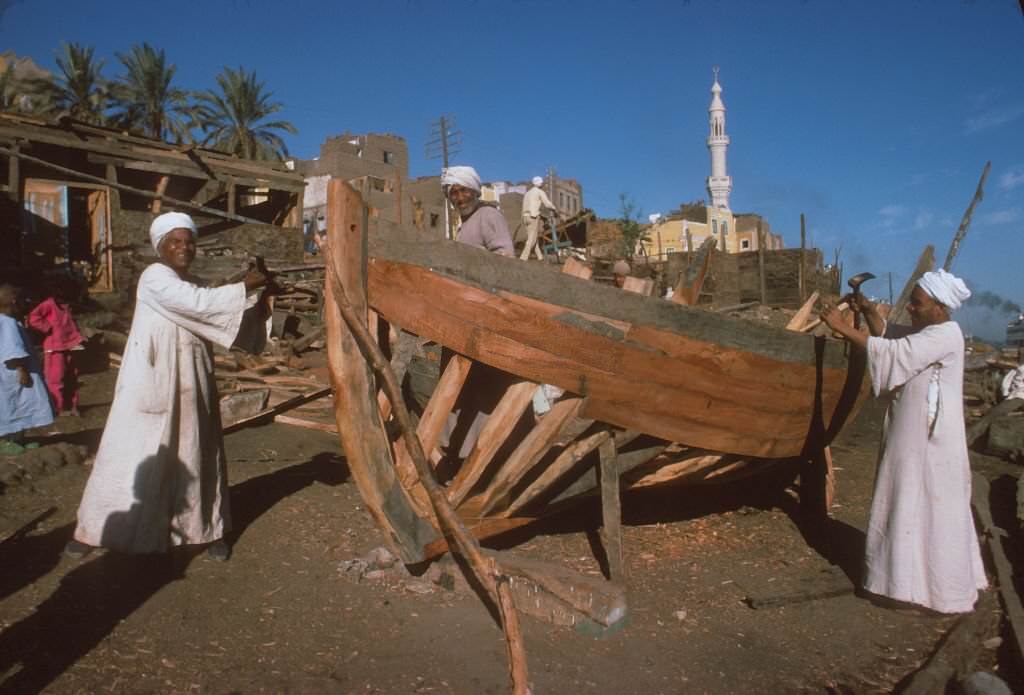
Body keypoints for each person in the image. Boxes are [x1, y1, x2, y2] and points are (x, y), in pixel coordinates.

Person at [66, 212, 268, 561]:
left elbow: (220, 314)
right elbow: (198, 304)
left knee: (196, 451)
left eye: (189, 240)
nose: (184, 247)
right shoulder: (155, 276)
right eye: (175, 241)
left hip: (192, 377)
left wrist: (260, 293)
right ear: (160, 246)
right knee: (132, 450)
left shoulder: (195, 282)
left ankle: (208, 529)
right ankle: (96, 529)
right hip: (152, 378)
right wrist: (246, 285)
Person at [820, 268, 987, 614]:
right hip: (912, 433)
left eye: (917, 303)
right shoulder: (929, 331)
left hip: (930, 441)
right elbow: (893, 340)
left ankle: (933, 594)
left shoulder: (945, 335)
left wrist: (841, 327)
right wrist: (866, 310)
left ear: (940, 308)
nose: (910, 308)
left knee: (927, 504)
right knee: (905, 499)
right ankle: (899, 584)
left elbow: (894, 353)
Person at [0, 284, 54, 454]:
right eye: (23, 300)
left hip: (9, 373)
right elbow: (12, 349)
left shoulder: (8, 321)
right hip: (14, 372)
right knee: (13, 404)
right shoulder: (8, 323)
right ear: (14, 302)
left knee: (18, 404)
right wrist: (22, 369)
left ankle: (19, 439)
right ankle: (7, 441)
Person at [27, 277, 85, 416]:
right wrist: (47, 327)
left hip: (70, 346)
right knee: (55, 379)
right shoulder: (48, 304)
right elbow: (33, 318)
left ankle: (72, 406)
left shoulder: (67, 306)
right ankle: (57, 408)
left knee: (72, 377)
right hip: (54, 348)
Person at [441, 165, 514, 256]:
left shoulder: (488, 215)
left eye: (464, 190)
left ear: (475, 191)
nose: (460, 198)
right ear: (450, 199)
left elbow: (506, 257)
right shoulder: (464, 225)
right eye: (454, 193)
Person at [520, 176, 557, 261]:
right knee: (531, 238)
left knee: (533, 237)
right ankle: (523, 258)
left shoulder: (527, 193)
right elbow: (547, 204)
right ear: (540, 183)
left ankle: (540, 257)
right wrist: (554, 209)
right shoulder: (539, 192)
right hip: (533, 216)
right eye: (541, 182)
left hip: (525, 217)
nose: (542, 184)